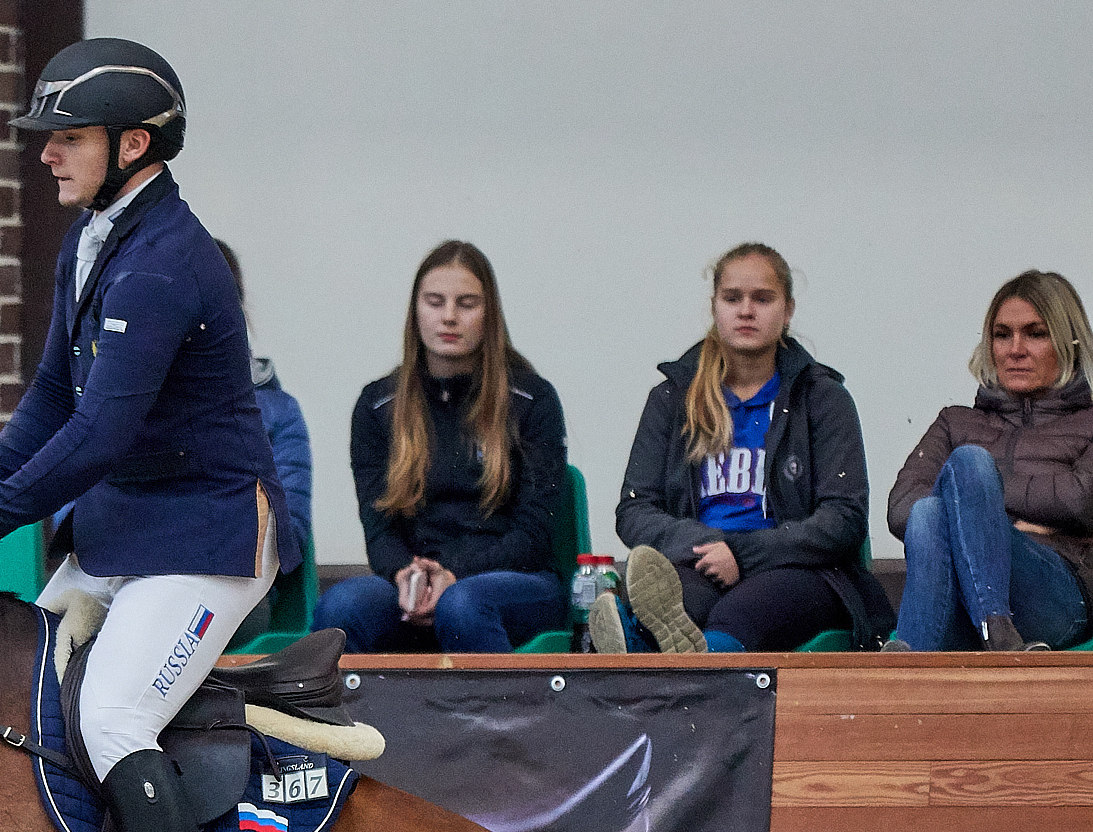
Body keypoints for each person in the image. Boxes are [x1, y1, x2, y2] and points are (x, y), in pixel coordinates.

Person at [0, 37, 292, 832]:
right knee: (7, 699)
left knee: (113, 713)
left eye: (67, 138)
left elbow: (100, 433)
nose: (45, 154)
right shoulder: (90, 242)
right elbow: (50, 396)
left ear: (137, 144)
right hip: (127, 533)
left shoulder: (170, 260)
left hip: (207, 539)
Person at [598, 242, 887, 653]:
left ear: (787, 311)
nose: (746, 310)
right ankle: (639, 647)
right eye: (732, 298)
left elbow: (844, 518)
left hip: (801, 571)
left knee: (740, 615)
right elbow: (635, 509)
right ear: (715, 307)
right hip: (702, 562)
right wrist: (707, 545)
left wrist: (742, 553)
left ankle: (676, 663)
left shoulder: (823, 398)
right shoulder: (672, 398)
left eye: (762, 299)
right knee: (686, 601)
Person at [314, 241, 567, 653]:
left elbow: (535, 534)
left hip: (513, 578)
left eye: (467, 304)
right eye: (435, 302)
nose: (449, 316)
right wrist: (405, 575)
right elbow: (379, 531)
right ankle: (352, 720)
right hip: (416, 579)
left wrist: (454, 575)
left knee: (463, 604)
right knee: (342, 605)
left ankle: (496, 718)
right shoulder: (378, 405)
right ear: (415, 312)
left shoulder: (532, 400)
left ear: (490, 315)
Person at [883, 269, 1093, 651]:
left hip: (1056, 596)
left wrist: (979, 504)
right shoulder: (954, 421)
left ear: (1070, 342)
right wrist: (983, 514)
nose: (1015, 349)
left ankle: (910, 661)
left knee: (963, 474)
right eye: (1002, 334)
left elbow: (1080, 501)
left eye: (1035, 333)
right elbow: (900, 510)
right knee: (929, 512)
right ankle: (991, 631)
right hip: (959, 600)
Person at [216, 240, 312, 573]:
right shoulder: (124, 402)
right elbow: (78, 522)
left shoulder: (279, 413)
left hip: (236, 578)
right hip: (126, 579)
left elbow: (290, 537)